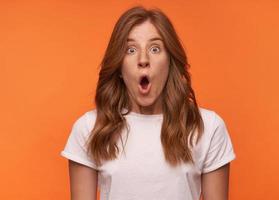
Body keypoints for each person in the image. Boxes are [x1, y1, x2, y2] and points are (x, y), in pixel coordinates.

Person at [60, 5, 236, 200]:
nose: (143, 59)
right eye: (130, 49)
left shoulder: (208, 127)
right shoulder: (89, 128)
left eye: (155, 48)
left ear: (170, 62)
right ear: (119, 66)